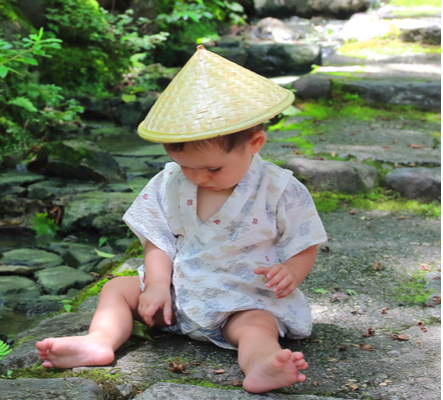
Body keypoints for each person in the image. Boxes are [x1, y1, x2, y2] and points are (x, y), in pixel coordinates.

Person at [36, 45, 327, 394]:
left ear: (255, 143)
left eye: (212, 168)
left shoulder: (280, 190)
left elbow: (304, 239)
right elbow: (157, 238)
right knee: (117, 289)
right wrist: (158, 285)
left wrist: (292, 272)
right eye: (186, 166)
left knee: (256, 327)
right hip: (178, 292)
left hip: (244, 295)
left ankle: (261, 364)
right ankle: (99, 341)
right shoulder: (170, 181)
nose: (198, 178)